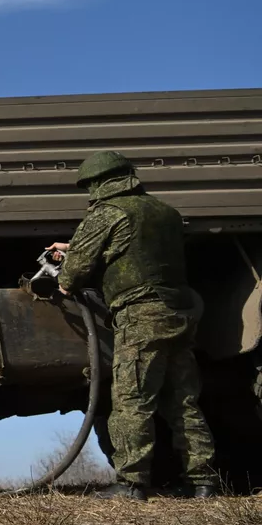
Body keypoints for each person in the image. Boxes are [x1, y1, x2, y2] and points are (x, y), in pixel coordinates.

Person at [50, 150, 217, 501]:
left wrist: (66, 268)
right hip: (180, 311)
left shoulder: (106, 213)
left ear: (98, 183)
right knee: (183, 401)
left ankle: (131, 483)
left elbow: (73, 274)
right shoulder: (165, 212)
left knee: (131, 400)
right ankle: (202, 481)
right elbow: (137, 249)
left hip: (141, 316)